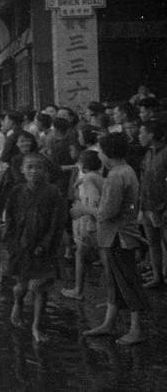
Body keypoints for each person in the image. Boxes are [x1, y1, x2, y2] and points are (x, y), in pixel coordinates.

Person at [78, 132, 149, 345]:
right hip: (118, 234)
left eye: (100, 151)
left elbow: (107, 212)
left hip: (118, 236)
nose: (99, 155)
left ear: (108, 153)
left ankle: (136, 329)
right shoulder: (126, 170)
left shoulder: (117, 175)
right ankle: (109, 322)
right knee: (116, 281)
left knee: (127, 281)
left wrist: (84, 209)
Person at [4, 153, 68, 342]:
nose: (33, 171)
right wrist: (11, 242)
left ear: (45, 171)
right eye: (29, 167)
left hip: (44, 247)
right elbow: (10, 219)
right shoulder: (16, 192)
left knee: (40, 287)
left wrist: (45, 245)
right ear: (22, 170)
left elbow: (56, 223)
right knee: (21, 285)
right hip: (21, 245)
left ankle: (36, 326)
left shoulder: (53, 193)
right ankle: (17, 304)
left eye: (38, 167)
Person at [60, 150, 103, 300]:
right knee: (103, 258)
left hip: (90, 224)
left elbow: (94, 202)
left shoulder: (89, 178)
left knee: (81, 255)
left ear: (84, 166)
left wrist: (83, 211)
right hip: (95, 224)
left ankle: (78, 290)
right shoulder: (97, 176)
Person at [137, 118, 167, 288]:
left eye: (142, 132)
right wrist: (141, 206)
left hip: (162, 208)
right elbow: (144, 180)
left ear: (151, 134)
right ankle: (157, 275)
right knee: (153, 243)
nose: (139, 136)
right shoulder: (148, 153)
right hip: (148, 205)